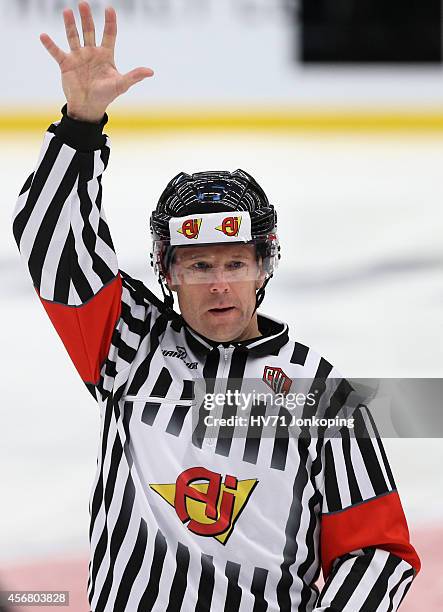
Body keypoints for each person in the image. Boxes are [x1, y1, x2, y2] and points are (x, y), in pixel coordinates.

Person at [12, 3, 420, 611]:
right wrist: (80, 126)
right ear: (169, 273)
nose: (220, 285)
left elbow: (377, 555)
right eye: (199, 266)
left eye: (234, 263)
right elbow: (52, 247)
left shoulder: (323, 397)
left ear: (264, 266)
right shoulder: (130, 346)